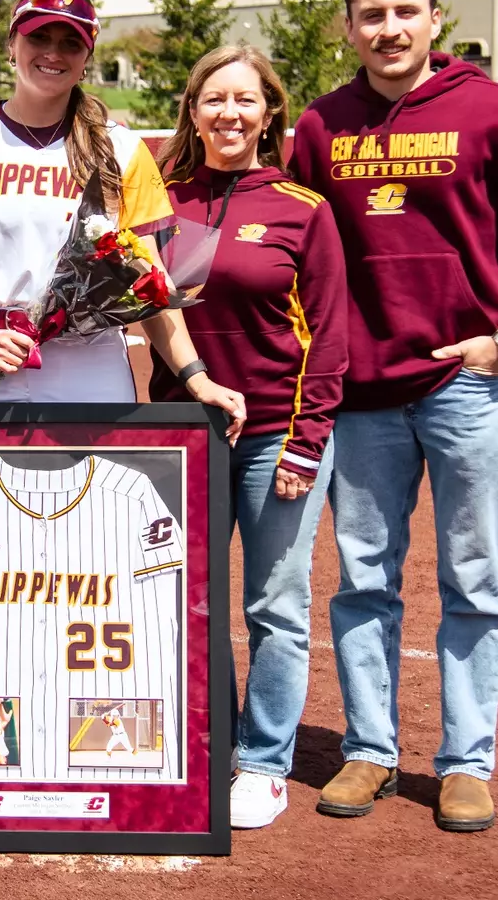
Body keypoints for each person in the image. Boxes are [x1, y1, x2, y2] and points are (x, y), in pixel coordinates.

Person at [286, 0, 498, 832]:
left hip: (470, 384)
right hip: (363, 393)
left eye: (404, 12)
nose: (389, 29)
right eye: (371, 15)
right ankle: (369, 750)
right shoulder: (322, 126)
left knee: (473, 579)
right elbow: (300, 251)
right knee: (363, 579)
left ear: (433, 19)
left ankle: (465, 763)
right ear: (349, 27)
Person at [0, 0, 246, 427]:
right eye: (38, 37)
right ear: (12, 45)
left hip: (89, 359)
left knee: (90, 476)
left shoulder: (121, 149)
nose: (53, 53)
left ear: (86, 59)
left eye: (70, 43)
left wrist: (196, 378)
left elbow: (151, 286)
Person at [147, 45, 347, 829]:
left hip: (273, 433)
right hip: (181, 431)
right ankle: (206, 745)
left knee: (275, 604)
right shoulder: (159, 201)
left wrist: (306, 439)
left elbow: (328, 336)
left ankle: (263, 763)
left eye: (245, 100)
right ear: (193, 111)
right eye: (214, 99)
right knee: (185, 598)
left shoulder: (303, 208)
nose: (229, 113)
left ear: (269, 114)